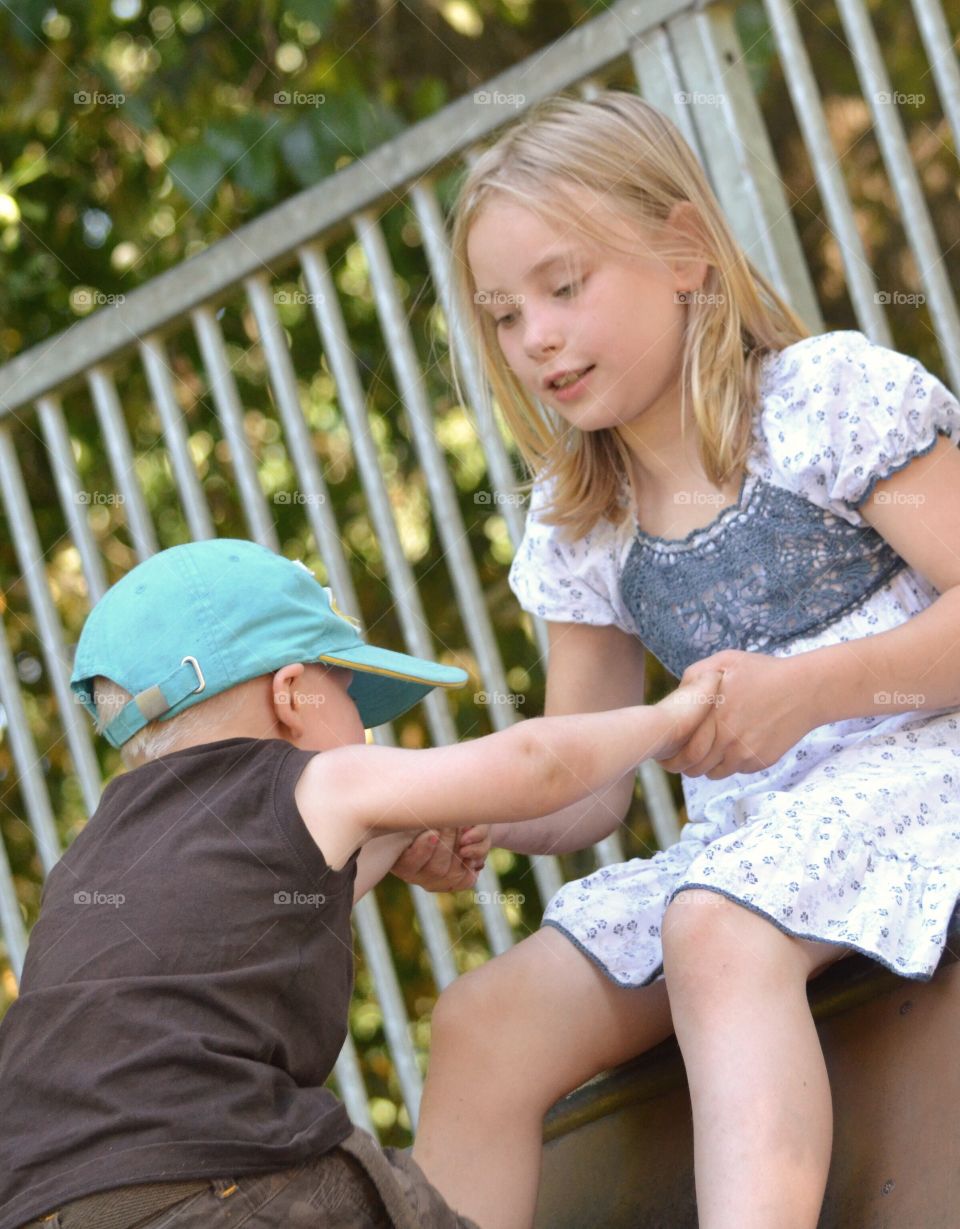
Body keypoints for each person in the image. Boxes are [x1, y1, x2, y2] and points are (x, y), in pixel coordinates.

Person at [411, 89, 960, 1229]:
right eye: (504, 315)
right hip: (748, 843)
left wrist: (807, 691)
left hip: (924, 767)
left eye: (564, 287)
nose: (537, 338)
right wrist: (481, 816)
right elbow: (590, 777)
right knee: (481, 1019)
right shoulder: (580, 521)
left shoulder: (821, 402)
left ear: (684, 252)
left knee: (714, 921)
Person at [0, 537, 718, 1229]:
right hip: (223, 1179)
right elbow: (533, 762)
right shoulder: (315, 777)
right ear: (291, 697)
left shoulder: (93, 858)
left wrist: (408, 831)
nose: (364, 736)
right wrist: (668, 718)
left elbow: (288, 899)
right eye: (350, 699)